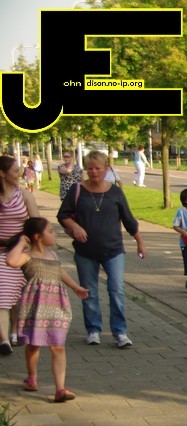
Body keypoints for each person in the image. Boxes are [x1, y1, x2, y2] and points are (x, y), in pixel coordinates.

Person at [56, 150, 146, 348]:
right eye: (90, 168)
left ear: (106, 169)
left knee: (117, 290)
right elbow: (63, 215)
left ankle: (120, 332)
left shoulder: (115, 192)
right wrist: (75, 227)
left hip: (113, 250)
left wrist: (139, 241)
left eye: (98, 168)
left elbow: (128, 219)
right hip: (85, 251)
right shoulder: (77, 190)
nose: (94, 172)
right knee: (89, 291)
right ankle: (93, 330)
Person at [5, 217, 88, 402]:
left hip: (57, 305)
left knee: (58, 346)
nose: (54, 234)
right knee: (34, 344)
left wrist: (75, 287)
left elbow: (60, 272)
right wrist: (21, 243)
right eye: (50, 231)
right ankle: (32, 377)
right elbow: (11, 261)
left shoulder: (54, 256)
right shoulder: (27, 256)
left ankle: (60, 389)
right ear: (37, 237)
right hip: (35, 306)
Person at [0, 155, 41, 354]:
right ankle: (4, 339)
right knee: (3, 293)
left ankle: (14, 330)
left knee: (18, 294)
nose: (20, 174)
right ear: (2, 173)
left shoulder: (24, 195)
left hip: (20, 250)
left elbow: (36, 223)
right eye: (15, 171)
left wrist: (38, 248)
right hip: (0, 251)